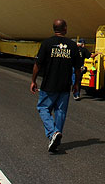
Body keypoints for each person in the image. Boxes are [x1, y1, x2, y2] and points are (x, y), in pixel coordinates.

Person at [30, 19, 82, 153]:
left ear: (54, 29)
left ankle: (53, 133)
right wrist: (76, 84)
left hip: (49, 84)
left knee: (42, 108)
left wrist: (33, 80)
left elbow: (38, 64)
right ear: (65, 29)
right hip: (65, 85)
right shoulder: (72, 45)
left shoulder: (47, 44)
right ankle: (56, 137)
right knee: (60, 112)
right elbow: (77, 68)